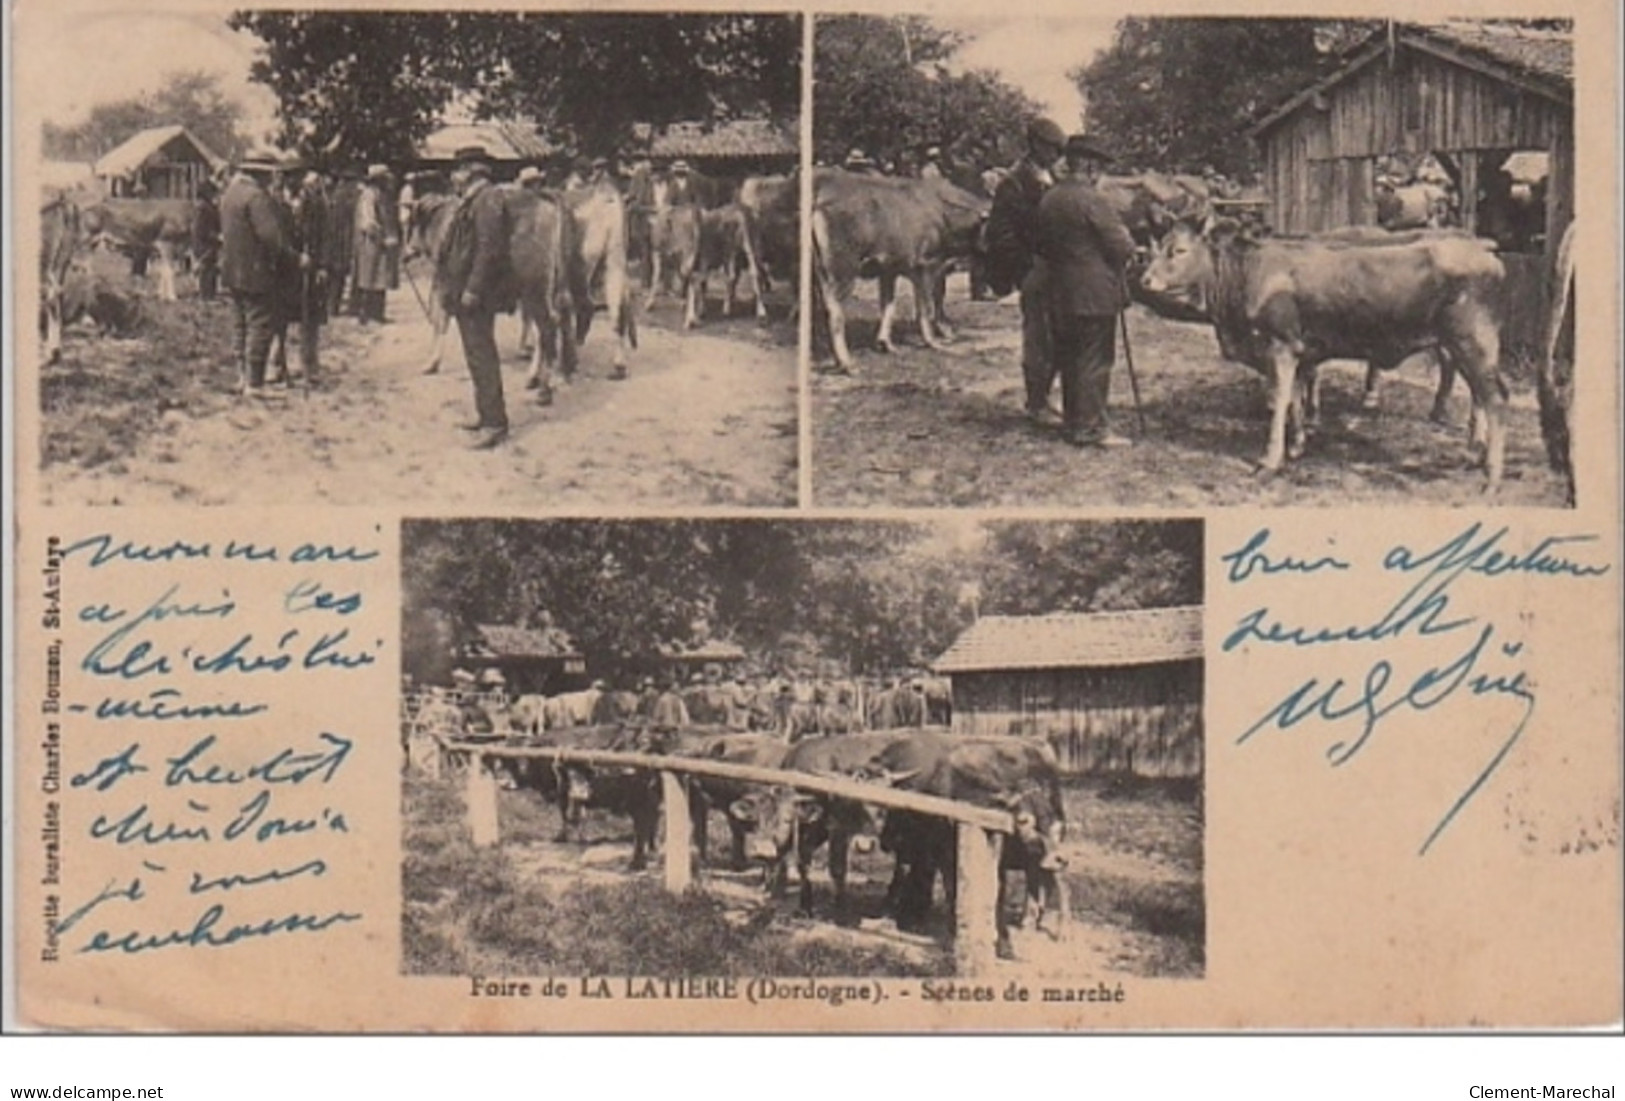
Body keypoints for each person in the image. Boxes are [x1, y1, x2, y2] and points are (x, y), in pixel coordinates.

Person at [1035, 134, 1137, 449]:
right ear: (1091, 166)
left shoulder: (1050, 198)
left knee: (1069, 358)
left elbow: (1043, 245)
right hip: (1094, 293)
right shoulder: (1094, 200)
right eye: (1101, 167)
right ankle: (1091, 429)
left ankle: (1074, 421)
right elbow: (1121, 247)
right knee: (1095, 360)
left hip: (1059, 291)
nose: (1101, 174)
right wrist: (1129, 245)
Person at [984, 117, 1066, 426]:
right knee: (1039, 338)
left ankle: (1046, 396)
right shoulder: (1014, 183)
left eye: (1059, 149)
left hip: (1058, 271)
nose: (1056, 154)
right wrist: (1025, 270)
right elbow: (1001, 234)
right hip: (1035, 270)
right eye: (1051, 148)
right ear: (1035, 146)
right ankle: (1036, 402)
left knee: (1058, 337)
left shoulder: (1052, 179)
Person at [435, 145, 515, 449]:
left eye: (457, 170)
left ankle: (495, 423)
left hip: (477, 294)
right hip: (464, 290)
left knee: (482, 354)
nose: (454, 176)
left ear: (472, 171)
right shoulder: (472, 200)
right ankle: (486, 415)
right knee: (474, 354)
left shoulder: (487, 199)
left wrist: (473, 288)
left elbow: (489, 250)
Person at [220, 152, 305, 398]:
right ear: (261, 174)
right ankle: (255, 384)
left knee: (240, 324)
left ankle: (241, 377)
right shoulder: (256, 198)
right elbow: (270, 237)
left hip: (232, 270)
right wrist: (295, 257)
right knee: (259, 324)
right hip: (255, 271)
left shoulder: (230, 194)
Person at [352, 163, 400, 324]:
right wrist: (383, 238)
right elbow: (368, 221)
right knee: (369, 277)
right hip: (370, 242)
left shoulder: (382, 194)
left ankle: (378, 313)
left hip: (380, 243)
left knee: (381, 277)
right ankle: (364, 314)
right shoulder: (368, 195)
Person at [191, 180, 221, 301]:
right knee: (207, 270)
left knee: (209, 269)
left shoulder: (203, 208)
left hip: (204, 243)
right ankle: (207, 296)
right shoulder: (205, 210)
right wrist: (217, 236)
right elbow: (204, 230)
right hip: (205, 244)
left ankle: (208, 295)